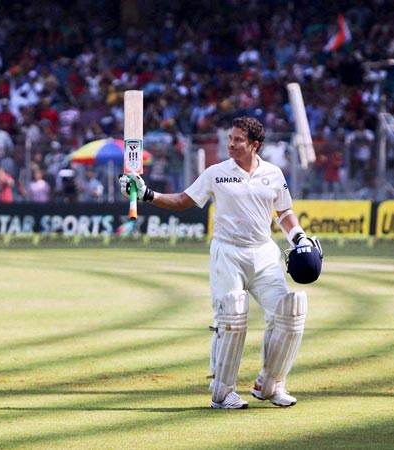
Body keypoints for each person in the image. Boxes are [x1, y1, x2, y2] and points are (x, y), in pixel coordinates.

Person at [119, 117, 322, 409]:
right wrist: (148, 195)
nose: (231, 144)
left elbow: (284, 212)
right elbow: (183, 201)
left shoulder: (274, 174)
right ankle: (223, 392)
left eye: (238, 140)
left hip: (264, 254)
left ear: (255, 145)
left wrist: (299, 237)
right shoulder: (216, 173)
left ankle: (271, 384)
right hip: (228, 253)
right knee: (232, 316)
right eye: (230, 138)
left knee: (290, 312)